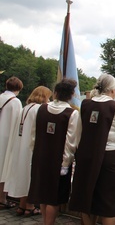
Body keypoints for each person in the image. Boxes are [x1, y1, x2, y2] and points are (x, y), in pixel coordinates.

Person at [69, 73, 115, 225]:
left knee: (86, 196)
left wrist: (75, 155)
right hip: (109, 159)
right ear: (112, 90)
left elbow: (78, 132)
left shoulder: (85, 104)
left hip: (86, 156)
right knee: (108, 202)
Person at [27, 78, 80, 225]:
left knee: (43, 194)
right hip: (58, 160)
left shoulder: (41, 109)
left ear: (55, 92)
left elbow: (33, 135)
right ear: (71, 94)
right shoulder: (72, 114)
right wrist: (66, 163)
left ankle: (46, 222)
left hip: (40, 156)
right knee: (54, 197)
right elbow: (71, 142)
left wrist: (35, 152)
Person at [4, 86, 52, 216]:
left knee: (22, 174)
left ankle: (22, 205)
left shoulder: (26, 108)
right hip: (31, 146)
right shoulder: (39, 109)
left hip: (20, 145)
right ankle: (30, 206)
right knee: (30, 175)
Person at [0, 76, 23, 209]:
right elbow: (18, 123)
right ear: (19, 88)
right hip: (7, 138)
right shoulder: (15, 102)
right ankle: (2, 199)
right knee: (4, 168)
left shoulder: (1, 97)